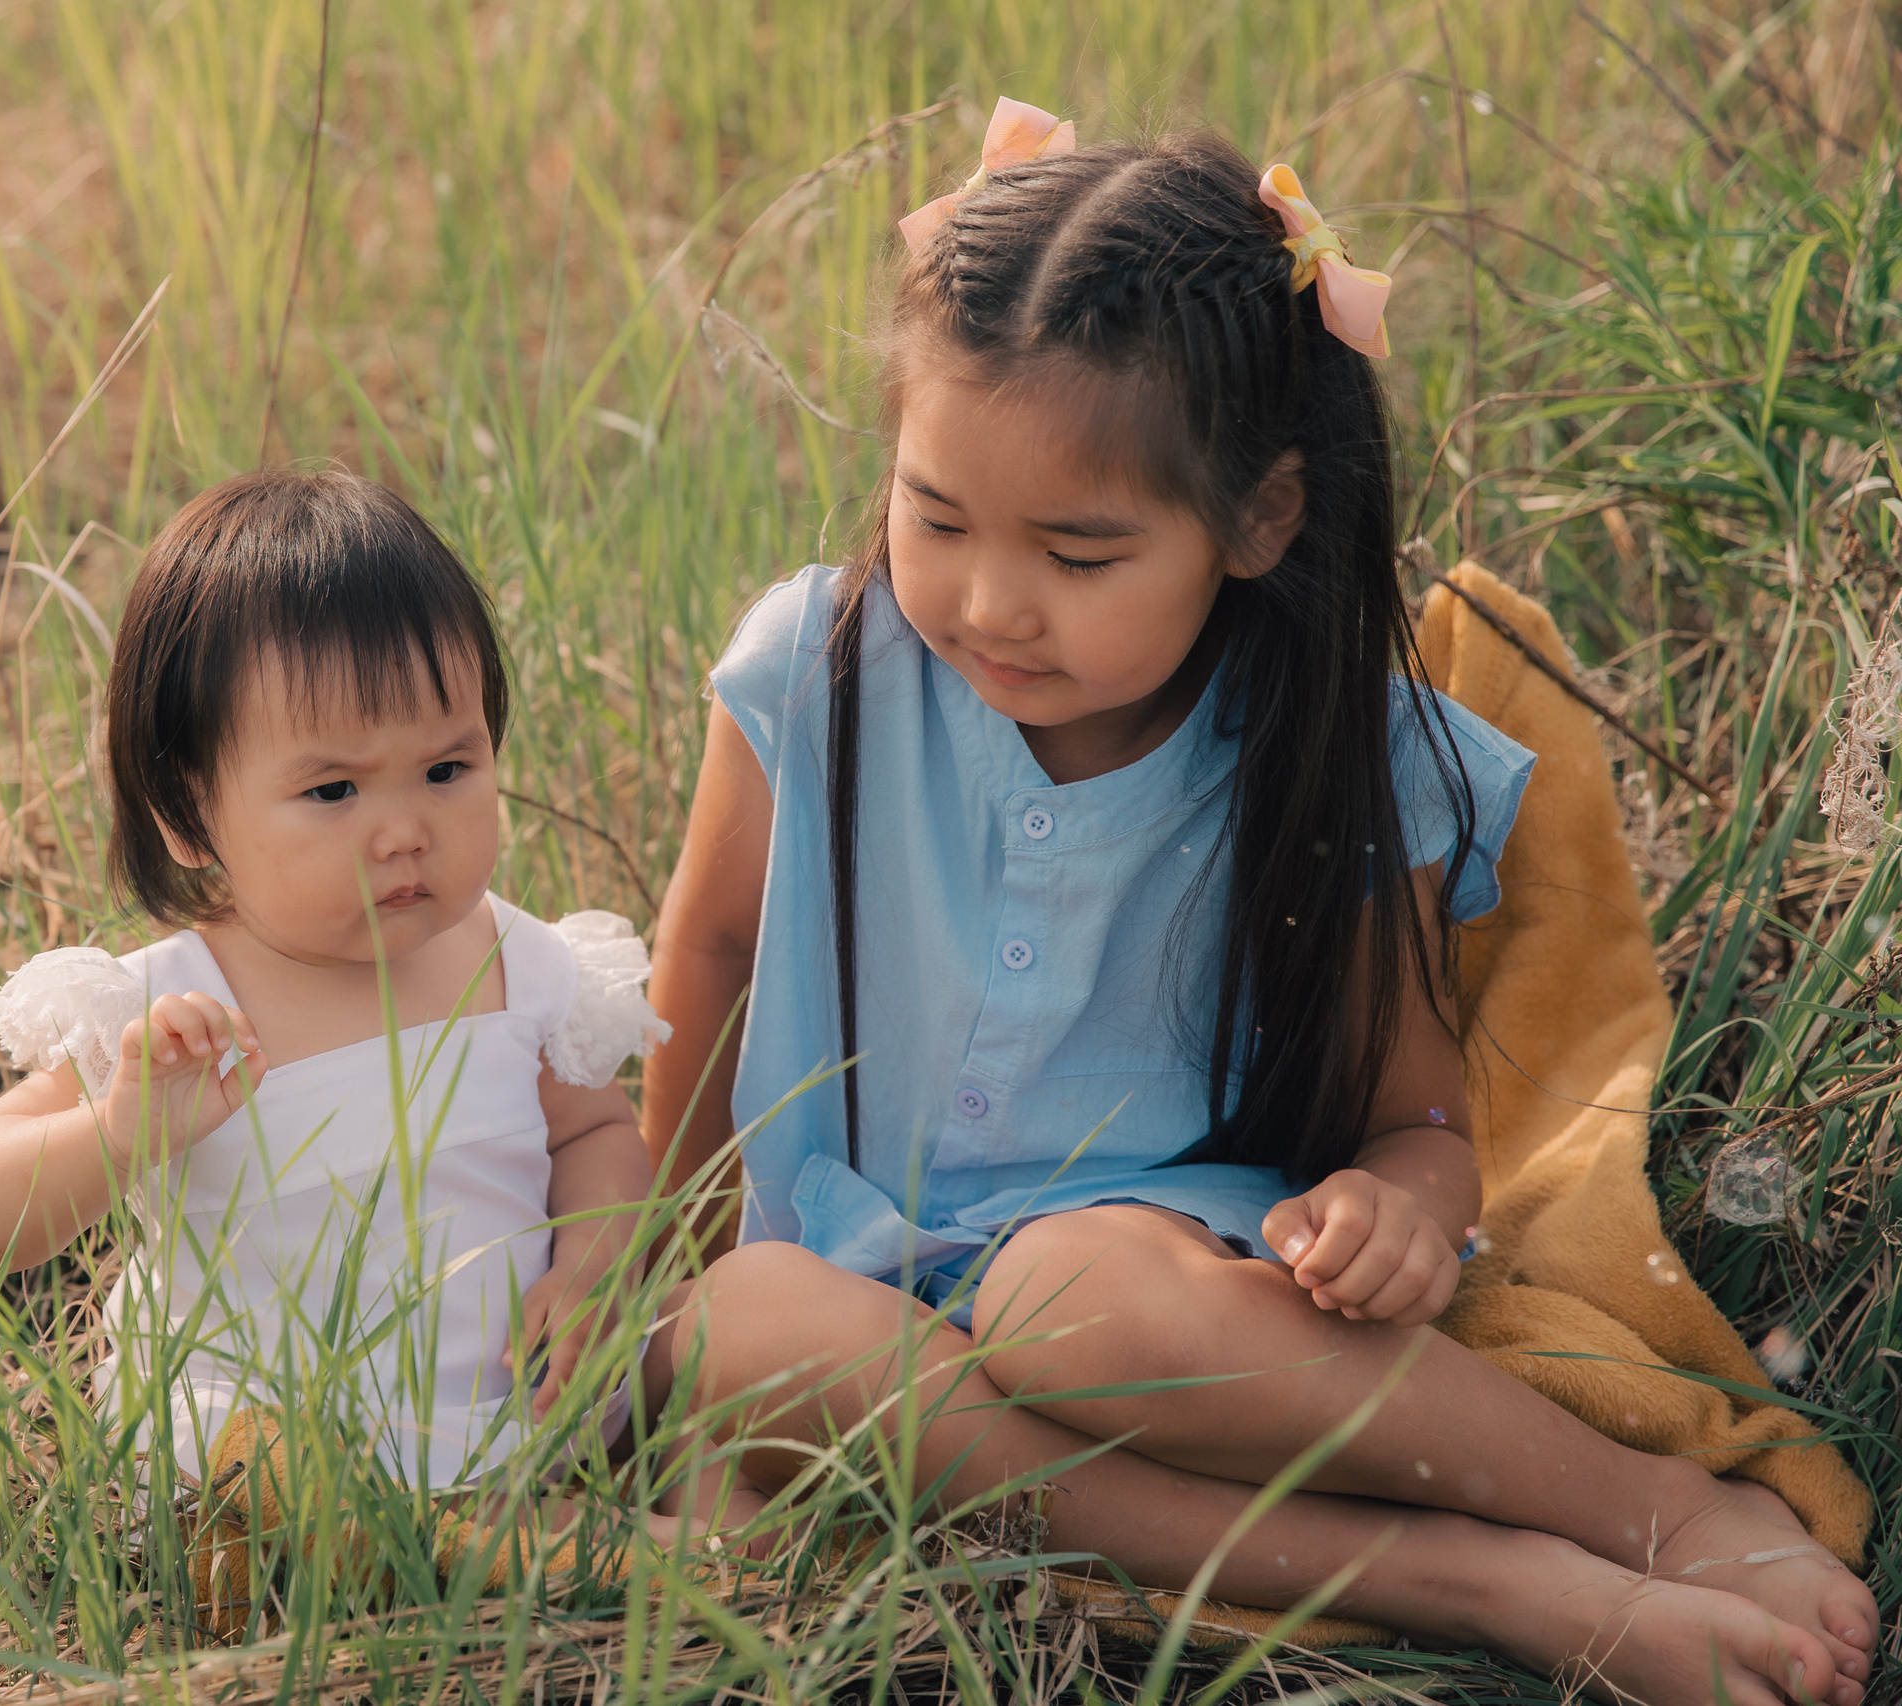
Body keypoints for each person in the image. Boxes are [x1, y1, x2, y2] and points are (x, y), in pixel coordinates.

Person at [638, 105, 1877, 1704]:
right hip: (850, 1274)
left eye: (1079, 554)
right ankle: (1490, 1584)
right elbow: (714, 955)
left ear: (1259, 519)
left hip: (1154, 1269)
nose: (988, 601)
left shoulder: (1328, 750)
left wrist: (1398, 1213)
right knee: (737, 1327)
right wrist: (638, 1269)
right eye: (934, 515)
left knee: (1060, 1304)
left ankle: (1653, 1511)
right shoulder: (816, 672)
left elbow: (1421, 1120)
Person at [0, 469, 667, 1494]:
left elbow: (596, 1135)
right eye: (332, 789)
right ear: (187, 813)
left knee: (692, 1366)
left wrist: (591, 1261)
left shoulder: (519, 966)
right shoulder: (166, 1012)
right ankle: (453, 1548)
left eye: (448, 768)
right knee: (259, 1467)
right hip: (266, 1436)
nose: (405, 827)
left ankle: (513, 1527)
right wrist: (121, 1129)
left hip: (501, 1415)